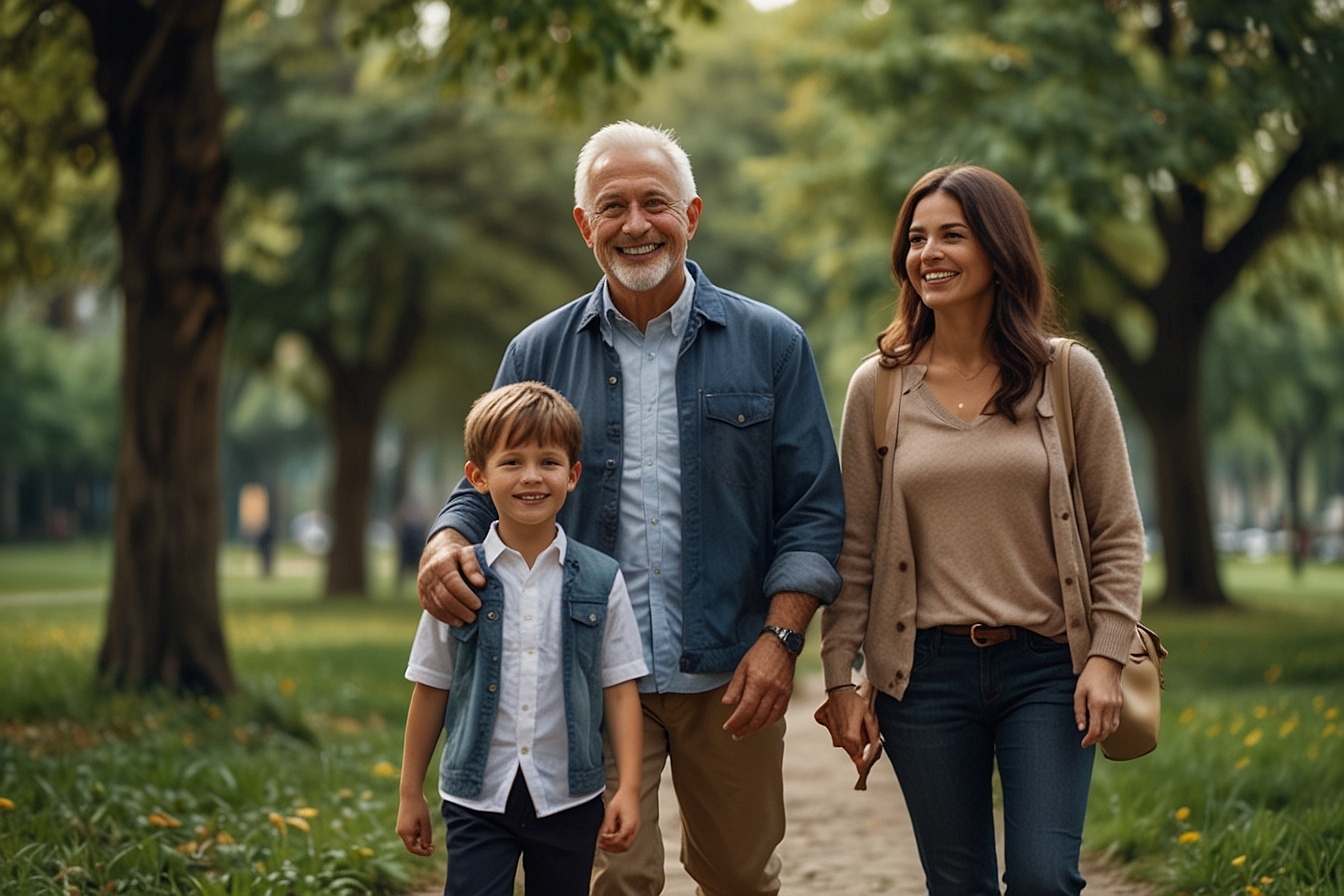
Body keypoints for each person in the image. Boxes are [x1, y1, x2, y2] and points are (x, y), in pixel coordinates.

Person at [416, 121, 846, 895]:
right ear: (585, 226)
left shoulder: (772, 343)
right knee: (616, 879)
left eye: (656, 203)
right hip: (586, 677)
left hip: (732, 670)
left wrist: (782, 639)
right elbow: (482, 481)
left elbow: (813, 511)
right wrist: (445, 541)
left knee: (741, 878)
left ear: (692, 215)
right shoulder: (536, 352)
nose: (636, 224)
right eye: (612, 206)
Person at [814, 165, 1146, 895]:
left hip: (1049, 668)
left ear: (999, 251)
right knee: (958, 884)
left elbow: (1118, 532)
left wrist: (1106, 656)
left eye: (952, 236)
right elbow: (855, 548)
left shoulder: (1068, 375)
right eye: (916, 238)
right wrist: (841, 675)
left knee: (1042, 876)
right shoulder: (878, 386)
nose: (928, 253)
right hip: (923, 676)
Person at [396, 382, 649, 895]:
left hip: (569, 799)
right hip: (477, 800)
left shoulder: (602, 580)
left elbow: (620, 689)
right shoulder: (458, 581)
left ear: (572, 475)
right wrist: (409, 793)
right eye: (511, 462)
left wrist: (627, 788)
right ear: (478, 477)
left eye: (548, 462)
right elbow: (431, 685)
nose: (531, 477)